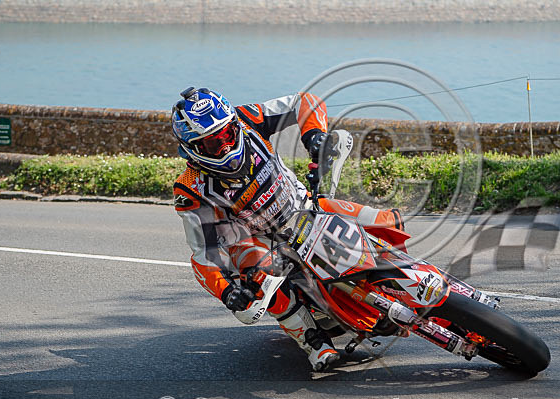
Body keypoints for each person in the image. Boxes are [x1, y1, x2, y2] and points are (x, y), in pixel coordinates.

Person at [171, 87, 404, 371]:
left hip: (303, 208)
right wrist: (227, 293)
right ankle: (313, 341)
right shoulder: (190, 187)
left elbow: (303, 100)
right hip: (259, 240)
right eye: (212, 145)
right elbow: (204, 253)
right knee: (258, 277)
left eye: (227, 135)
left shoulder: (247, 120)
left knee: (384, 220)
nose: (225, 147)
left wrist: (314, 134)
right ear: (192, 148)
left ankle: (405, 281)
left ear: (233, 123)